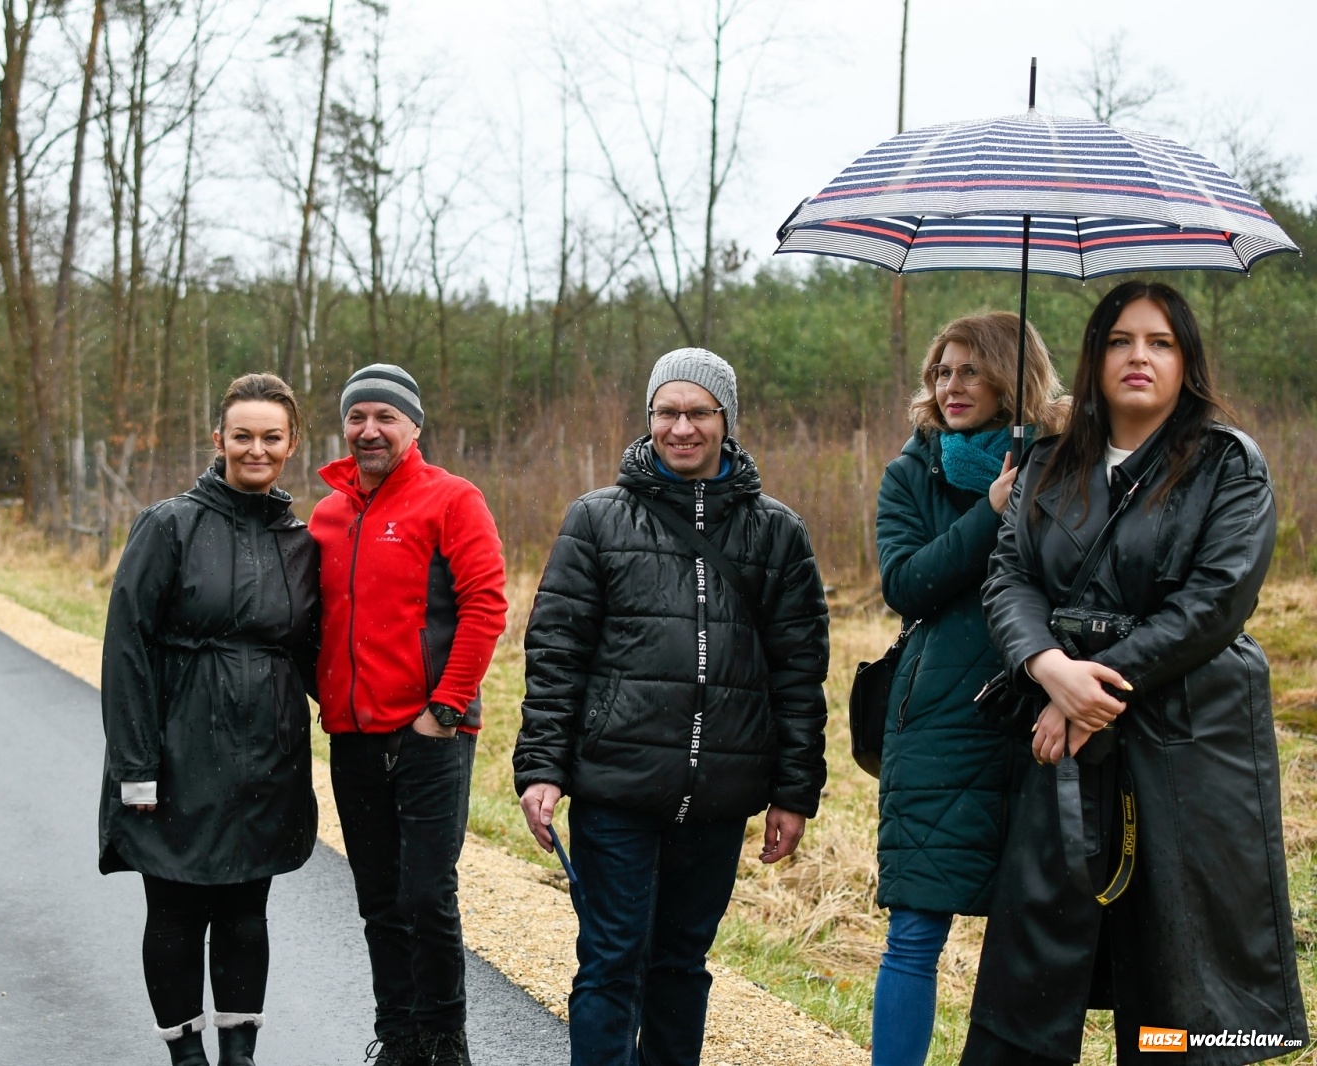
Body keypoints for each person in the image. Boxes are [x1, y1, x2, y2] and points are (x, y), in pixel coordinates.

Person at [964, 281, 1308, 1064]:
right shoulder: (1048, 461)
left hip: (1188, 741)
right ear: (1094, 357)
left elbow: (1214, 605)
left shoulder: (1229, 465)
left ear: (1186, 360)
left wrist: (1089, 694)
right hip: (1060, 739)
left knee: (1174, 996)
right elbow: (1009, 577)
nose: (1139, 357)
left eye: (1159, 341)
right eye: (1121, 340)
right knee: (1032, 971)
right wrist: (1049, 669)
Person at [513, 348, 831, 1066]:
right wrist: (542, 768)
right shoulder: (595, 520)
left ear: (727, 420)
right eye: (667, 412)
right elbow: (556, 655)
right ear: (649, 418)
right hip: (615, 786)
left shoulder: (778, 532)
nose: (681, 428)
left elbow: (800, 674)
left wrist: (794, 791)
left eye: (697, 412)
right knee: (611, 961)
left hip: (719, 796)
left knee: (681, 966)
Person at [100, 373, 320, 1066]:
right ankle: (186, 1055)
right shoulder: (170, 525)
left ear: (291, 445)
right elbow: (126, 650)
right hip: (176, 751)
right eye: (244, 435)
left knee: (244, 910)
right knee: (175, 911)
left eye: (272, 437)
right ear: (218, 439)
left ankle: (240, 1056)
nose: (257, 449)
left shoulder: (297, 540)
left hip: (267, 754)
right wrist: (136, 768)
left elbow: (314, 653)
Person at [869, 313, 1067, 1065]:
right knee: (916, 928)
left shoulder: (1071, 464)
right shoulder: (911, 472)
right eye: (941, 372)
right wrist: (989, 511)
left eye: (970, 371)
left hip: (1044, 716)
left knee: (1035, 935)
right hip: (940, 726)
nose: (951, 386)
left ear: (1011, 377)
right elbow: (908, 584)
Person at [308, 364, 507, 1066]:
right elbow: (314, 620)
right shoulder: (327, 515)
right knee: (378, 897)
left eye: (385, 417)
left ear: (413, 426)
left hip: (431, 734)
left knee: (426, 894)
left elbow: (487, 605)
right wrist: (324, 692)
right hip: (353, 737)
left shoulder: (452, 499)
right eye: (357, 417)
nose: (369, 430)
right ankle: (397, 1037)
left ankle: (445, 1040)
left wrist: (446, 709)